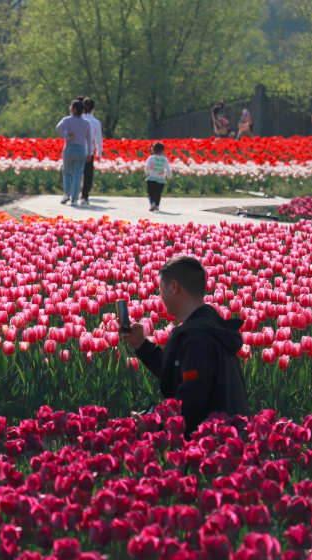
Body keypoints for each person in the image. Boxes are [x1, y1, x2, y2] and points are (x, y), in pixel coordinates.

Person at [121, 256, 249, 435]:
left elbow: (190, 401)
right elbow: (177, 373)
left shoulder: (196, 337)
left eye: (160, 288)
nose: (160, 295)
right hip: (229, 438)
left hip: (211, 448)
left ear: (174, 286)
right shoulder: (211, 324)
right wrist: (141, 344)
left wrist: (152, 424)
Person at [56, 99, 94, 206]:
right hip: (81, 149)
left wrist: (66, 137)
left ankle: (66, 194)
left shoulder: (67, 120)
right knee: (77, 175)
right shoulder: (86, 123)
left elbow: (58, 128)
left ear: (73, 110)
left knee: (67, 173)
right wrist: (89, 153)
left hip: (69, 147)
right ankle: (74, 199)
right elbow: (89, 139)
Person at [80, 97, 103, 207]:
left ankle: (73, 194)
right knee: (88, 175)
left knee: (76, 173)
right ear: (93, 109)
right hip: (89, 151)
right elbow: (98, 139)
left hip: (77, 148)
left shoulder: (77, 119)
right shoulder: (96, 122)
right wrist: (99, 153)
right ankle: (84, 196)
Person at [144, 142, 172, 212]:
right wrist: (170, 177)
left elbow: (147, 167)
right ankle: (156, 205)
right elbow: (167, 169)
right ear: (162, 150)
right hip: (161, 179)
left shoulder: (151, 158)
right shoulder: (164, 159)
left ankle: (152, 203)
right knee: (158, 193)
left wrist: (147, 173)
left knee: (151, 193)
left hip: (151, 178)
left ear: (153, 150)